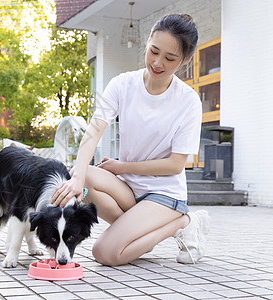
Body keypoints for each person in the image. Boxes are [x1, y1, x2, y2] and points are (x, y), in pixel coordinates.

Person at [51, 13, 209, 266]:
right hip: (129, 189)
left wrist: (122, 167)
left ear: (186, 59)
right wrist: (78, 178)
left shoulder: (188, 101)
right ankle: (137, 234)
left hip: (164, 193)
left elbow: (174, 165)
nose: (157, 63)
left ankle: (183, 221)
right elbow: (93, 131)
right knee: (81, 174)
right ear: (147, 43)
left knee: (105, 253)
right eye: (153, 51)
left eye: (170, 58)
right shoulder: (123, 84)